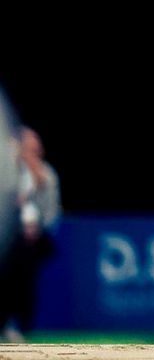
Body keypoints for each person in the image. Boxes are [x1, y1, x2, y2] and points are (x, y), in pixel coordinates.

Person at [0, 128, 60, 342]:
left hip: (37, 240)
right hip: (8, 237)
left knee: (23, 258)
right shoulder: (6, 175)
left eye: (33, 149)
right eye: (24, 148)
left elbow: (51, 216)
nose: (28, 153)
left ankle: (17, 323)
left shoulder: (48, 175)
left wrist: (35, 227)